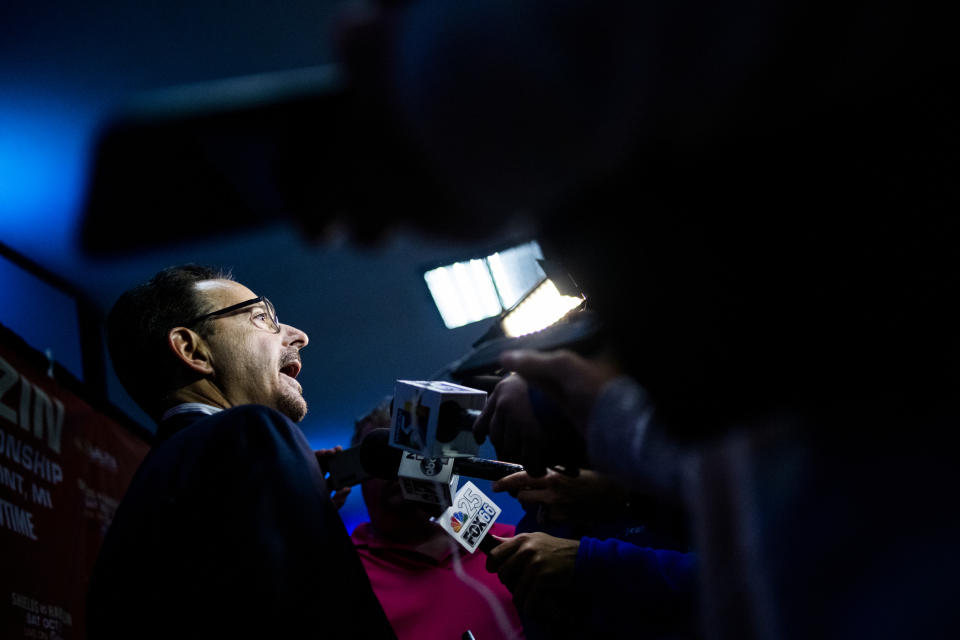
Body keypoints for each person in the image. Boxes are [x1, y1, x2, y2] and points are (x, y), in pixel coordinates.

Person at [85, 265, 396, 639]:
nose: (300, 336)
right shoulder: (254, 430)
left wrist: (295, 503)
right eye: (262, 317)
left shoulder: (148, 497)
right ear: (192, 350)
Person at [346, 399, 525, 640]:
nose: (400, 468)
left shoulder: (517, 545)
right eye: (385, 455)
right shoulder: (340, 573)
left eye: (412, 451)